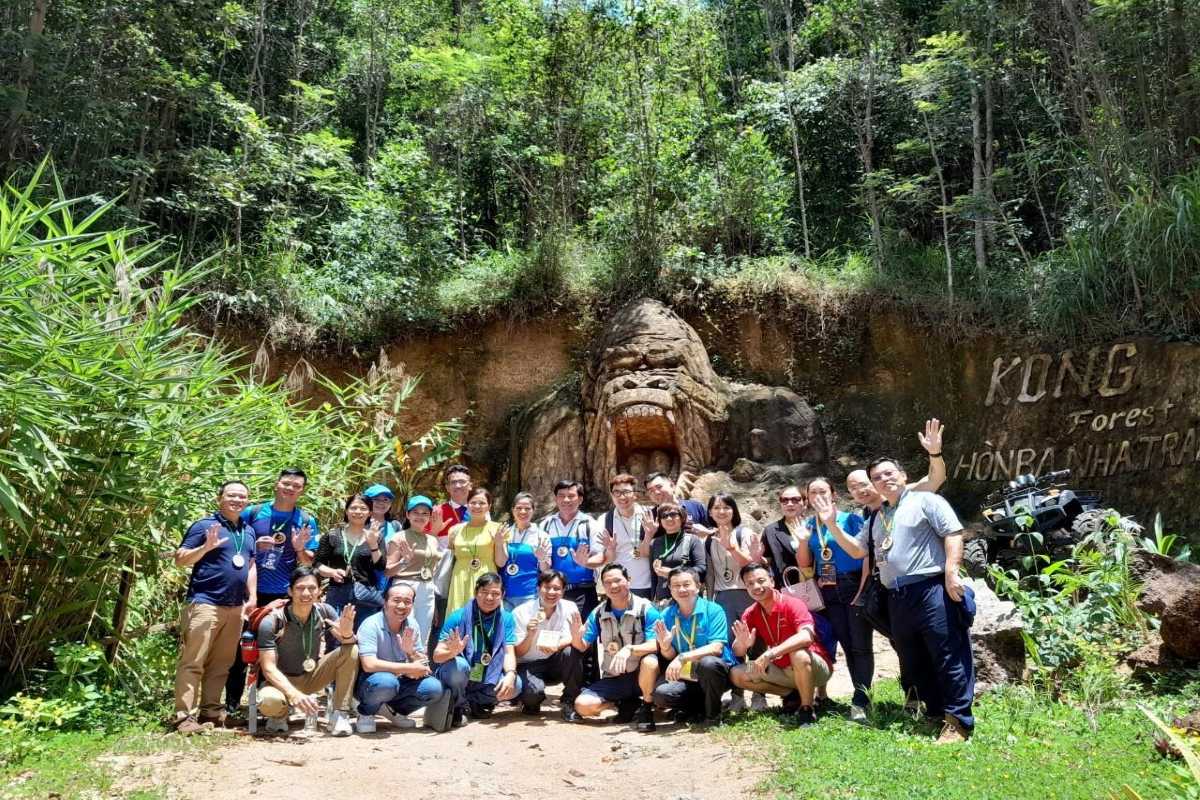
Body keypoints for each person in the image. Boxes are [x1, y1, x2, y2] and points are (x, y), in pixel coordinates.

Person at [857, 456, 975, 743]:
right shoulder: (877, 516)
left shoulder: (925, 500)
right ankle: (935, 713)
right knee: (914, 659)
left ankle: (958, 721)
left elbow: (953, 532)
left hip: (931, 588)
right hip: (897, 597)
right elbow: (859, 551)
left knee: (948, 654)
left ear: (904, 474)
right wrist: (828, 521)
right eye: (877, 477)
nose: (884, 480)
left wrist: (951, 571)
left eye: (889, 473)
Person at [225, 467, 318, 715]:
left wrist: (299, 548)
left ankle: (273, 704)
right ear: (277, 484)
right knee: (240, 649)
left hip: (285, 594)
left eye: (296, 486)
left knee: (278, 650)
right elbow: (235, 543)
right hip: (250, 592)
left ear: (302, 491)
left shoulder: (306, 520)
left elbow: (309, 562)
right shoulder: (253, 512)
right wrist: (254, 545)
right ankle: (232, 706)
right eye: (286, 483)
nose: (290, 489)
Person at [171, 480, 257, 733]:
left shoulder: (248, 530)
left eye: (242, 496)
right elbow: (180, 559)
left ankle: (211, 711)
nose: (237, 500)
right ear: (219, 498)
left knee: (222, 663)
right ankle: (183, 717)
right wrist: (205, 547)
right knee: (193, 661)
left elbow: (250, 564)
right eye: (232, 495)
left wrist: (251, 597)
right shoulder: (205, 526)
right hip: (205, 603)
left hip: (235, 607)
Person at [797, 477, 873, 722]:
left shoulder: (851, 519)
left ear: (834, 495)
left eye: (823, 491)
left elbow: (865, 555)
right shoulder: (808, 524)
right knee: (846, 644)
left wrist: (863, 587)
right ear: (807, 499)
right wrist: (800, 542)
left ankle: (861, 700)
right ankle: (860, 693)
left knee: (860, 643)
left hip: (853, 584)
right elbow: (805, 564)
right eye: (812, 492)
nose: (818, 496)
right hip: (828, 589)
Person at [256, 567, 360, 736]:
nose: (306, 593)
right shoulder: (273, 621)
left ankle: (340, 713)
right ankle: (280, 713)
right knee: (270, 701)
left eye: (312, 588)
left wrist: (347, 633)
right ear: (290, 591)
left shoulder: (324, 611)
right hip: (281, 682)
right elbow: (268, 669)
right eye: (299, 588)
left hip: (311, 676)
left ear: (319, 591)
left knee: (351, 650)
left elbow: (347, 642)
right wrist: (293, 694)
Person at [729, 562, 834, 726]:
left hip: (814, 667)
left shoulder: (792, 603)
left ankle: (806, 709)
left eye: (761, 580)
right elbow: (737, 651)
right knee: (737, 673)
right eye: (750, 583)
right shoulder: (750, 613)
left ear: (772, 581)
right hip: (781, 669)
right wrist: (742, 644)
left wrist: (771, 653)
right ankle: (791, 694)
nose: (756, 586)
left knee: (798, 654)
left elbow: (806, 636)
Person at [570, 563, 661, 733]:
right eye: (607, 582)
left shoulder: (646, 608)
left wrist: (630, 649)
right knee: (583, 706)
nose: (613, 586)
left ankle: (646, 708)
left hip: (643, 674)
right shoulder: (598, 613)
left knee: (650, 662)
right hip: (615, 677)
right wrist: (575, 636)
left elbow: (656, 643)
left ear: (628, 580)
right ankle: (622, 704)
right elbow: (582, 646)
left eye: (617, 580)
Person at [354, 580, 449, 733]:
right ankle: (366, 712)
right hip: (370, 682)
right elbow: (368, 664)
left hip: (399, 681)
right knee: (386, 682)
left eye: (407, 602)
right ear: (385, 602)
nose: (401, 606)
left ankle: (394, 711)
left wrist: (411, 653)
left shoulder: (412, 625)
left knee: (434, 688)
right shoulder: (371, 624)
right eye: (396, 601)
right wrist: (408, 667)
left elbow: (422, 664)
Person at [702, 493, 765, 713]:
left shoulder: (744, 532)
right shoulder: (709, 539)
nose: (721, 511)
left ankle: (759, 693)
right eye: (716, 508)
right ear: (710, 512)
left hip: (747, 595)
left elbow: (753, 566)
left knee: (755, 645)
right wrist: (710, 600)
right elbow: (710, 573)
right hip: (722, 597)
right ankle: (738, 694)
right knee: (733, 647)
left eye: (726, 507)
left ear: (734, 510)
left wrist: (731, 547)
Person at [433, 573, 522, 727]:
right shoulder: (458, 617)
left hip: (487, 674)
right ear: (476, 592)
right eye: (484, 592)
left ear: (503, 595)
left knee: (517, 684)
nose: (489, 598)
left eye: (495, 594)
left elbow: (509, 652)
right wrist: (452, 652)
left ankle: (475, 703)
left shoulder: (506, 618)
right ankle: (458, 705)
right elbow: (436, 656)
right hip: (462, 673)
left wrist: (510, 674)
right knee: (458, 666)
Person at [651, 568, 735, 725]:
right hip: (687, 674)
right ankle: (699, 709)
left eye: (686, 584)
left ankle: (713, 717)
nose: (681, 589)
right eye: (676, 585)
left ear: (698, 586)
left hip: (715, 672)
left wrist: (682, 657)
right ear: (670, 589)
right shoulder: (666, 615)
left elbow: (716, 648)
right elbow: (669, 655)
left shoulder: (713, 610)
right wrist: (665, 646)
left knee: (708, 663)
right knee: (661, 695)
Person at [538, 480, 604, 680]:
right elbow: (543, 561)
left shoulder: (590, 524)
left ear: (580, 499)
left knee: (585, 633)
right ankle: (558, 677)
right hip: (554, 590)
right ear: (556, 498)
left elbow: (601, 556)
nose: (566, 500)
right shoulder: (546, 524)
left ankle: (590, 681)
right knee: (553, 630)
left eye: (571, 496)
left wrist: (587, 562)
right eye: (561, 496)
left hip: (583, 589)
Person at [512, 570, 584, 721]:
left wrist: (556, 646)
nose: (551, 592)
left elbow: (573, 636)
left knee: (571, 651)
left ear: (563, 591)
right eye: (547, 587)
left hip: (555, 661)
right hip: (529, 664)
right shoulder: (520, 612)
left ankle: (570, 701)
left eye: (557, 588)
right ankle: (530, 699)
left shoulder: (570, 607)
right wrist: (529, 634)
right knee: (532, 697)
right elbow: (518, 652)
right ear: (538, 588)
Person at [384, 495, 442, 653]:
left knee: (423, 632)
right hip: (405, 585)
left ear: (430, 517)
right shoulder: (399, 537)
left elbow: (432, 569)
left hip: (427, 588)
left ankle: (418, 668)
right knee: (404, 629)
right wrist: (404, 561)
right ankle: (399, 667)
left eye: (425, 513)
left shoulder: (432, 540)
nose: (420, 516)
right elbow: (388, 571)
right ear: (408, 515)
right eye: (416, 512)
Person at [313, 494, 386, 618]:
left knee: (363, 635)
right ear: (346, 511)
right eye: (353, 508)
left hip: (365, 596)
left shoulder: (376, 536)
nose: (358, 511)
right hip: (337, 593)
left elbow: (380, 567)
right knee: (335, 633)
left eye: (363, 508)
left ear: (369, 513)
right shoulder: (332, 536)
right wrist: (332, 572)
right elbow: (317, 564)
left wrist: (373, 544)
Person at [598, 474, 655, 599]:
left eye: (626, 492)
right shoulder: (605, 520)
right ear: (612, 496)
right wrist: (609, 549)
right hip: (617, 586)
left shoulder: (650, 515)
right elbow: (604, 558)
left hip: (648, 584)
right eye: (616, 492)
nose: (622, 497)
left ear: (635, 494)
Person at [446, 487, 503, 610]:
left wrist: (499, 543)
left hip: (486, 578)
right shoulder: (455, 530)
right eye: (473, 502)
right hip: (460, 578)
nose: (477, 506)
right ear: (467, 504)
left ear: (489, 506)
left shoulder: (497, 529)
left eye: (482, 503)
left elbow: (501, 562)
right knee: (459, 618)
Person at [496, 492, 551, 610]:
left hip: (530, 594)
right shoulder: (505, 533)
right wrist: (499, 544)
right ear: (512, 510)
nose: (523, 512)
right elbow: (500, 563)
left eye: (527, 508)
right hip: (505, 594)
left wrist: (542, 558)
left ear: (533, 510)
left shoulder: (541, 535)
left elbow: (546, 570)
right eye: (519, 508)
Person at [644, 501, 706, 603]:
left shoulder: (692, 540)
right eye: (664, 516)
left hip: (687, 596)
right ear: (660, 521)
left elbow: (701, 568)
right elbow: (653, 576)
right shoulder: (654, 543)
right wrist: (653, 599)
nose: (668, 518)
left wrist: (673, 573)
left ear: (682, 518)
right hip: (663, 599)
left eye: (673, 514)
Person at [755, 486, 808, 588]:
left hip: (817, 584)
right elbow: (767, 561)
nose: (790, 504)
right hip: (786, 587)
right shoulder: (770, 530)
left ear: (805, 503)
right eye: (785, 500)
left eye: (795, 499)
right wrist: (758, 558)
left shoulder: (814, 526)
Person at [643, 472, 708, 529]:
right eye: (651, 491)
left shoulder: (695, 507)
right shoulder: (649, 518)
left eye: (659, 487)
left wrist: (706, 533)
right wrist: (649, 535)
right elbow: (642, 542)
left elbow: (714, 530)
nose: (656, 492)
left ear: (672, 485)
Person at [431, 464, 473, 549]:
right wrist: (434, 531)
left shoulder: (480, 510)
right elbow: (425, 542)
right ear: (447, 487)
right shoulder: (437, 511)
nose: (458, 486)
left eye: (462, 481)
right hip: (447, 561)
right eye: (453, 482)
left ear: (470, 486)